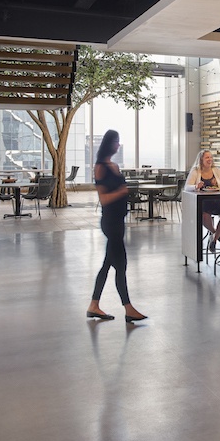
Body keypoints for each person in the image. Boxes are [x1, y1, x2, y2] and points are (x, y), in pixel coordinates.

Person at [86, 130, 147, 323]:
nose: (118, 145)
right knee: (120, 265)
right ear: (109, 144)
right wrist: (122, 191)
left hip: (119, 222)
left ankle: (94, 305)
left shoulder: (114, 166)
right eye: (116, 142)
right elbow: (104, 199)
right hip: (111, 223)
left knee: (109, 264)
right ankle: (128, 308)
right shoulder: (100, 167)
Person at [185, 150, 220, 252]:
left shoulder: (217, 171)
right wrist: (196, 186)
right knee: (204, 216)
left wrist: (218, 185)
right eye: (207, 158)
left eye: (211, 157)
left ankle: (214, 238)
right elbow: (187, 187)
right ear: (201, 160)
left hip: (218, 200)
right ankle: (214, 233)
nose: (210, 160)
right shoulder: (196, 171)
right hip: (203, 201)